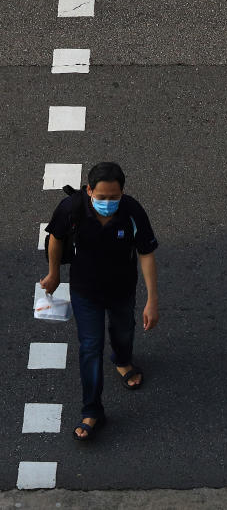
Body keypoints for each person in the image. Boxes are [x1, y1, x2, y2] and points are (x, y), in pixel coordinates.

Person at [39, 162, 159, 441]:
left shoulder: (132, 211)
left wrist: (152, 300)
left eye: (114, 197)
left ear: (122, 193)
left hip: (122, 290)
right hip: (85, 292)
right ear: (89, 190)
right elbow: (55, 238)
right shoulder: (72, 209)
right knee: (90, 347)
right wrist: (53, 273)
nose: (108, 202)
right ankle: (92, 410)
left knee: (123, 331)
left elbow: (146, 253)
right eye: (101, 197)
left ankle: (122, 360)